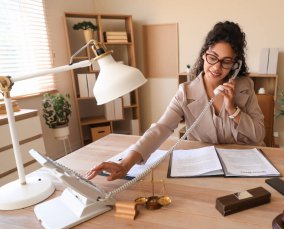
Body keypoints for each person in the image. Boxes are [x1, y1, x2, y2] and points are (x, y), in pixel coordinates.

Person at [86, 21, 265, 181]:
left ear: (235, 64)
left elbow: (258, 135)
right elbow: (161, 128)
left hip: (244, 168)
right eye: (212, 57)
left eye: (226, 61)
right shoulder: (185, 92)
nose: (217, 67)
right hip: (206, 169)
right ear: (204, 54)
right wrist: (125, 164)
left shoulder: (244, 86)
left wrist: (233, 109)